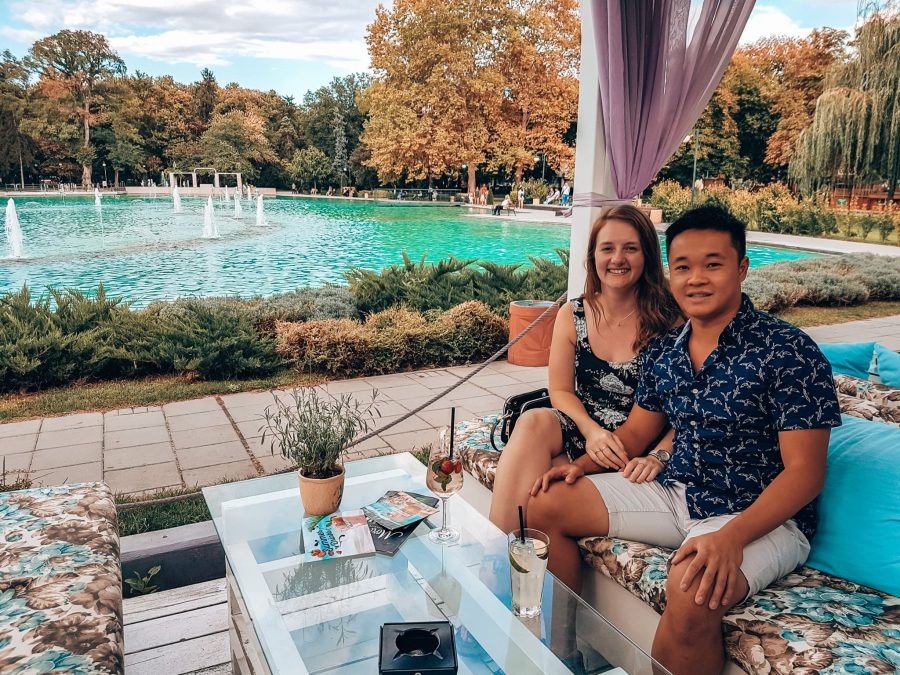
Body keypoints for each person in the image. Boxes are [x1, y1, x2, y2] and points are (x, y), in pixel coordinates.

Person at [527, 205, 841, 675]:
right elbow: (637, 432)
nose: (696, 278)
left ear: (742, 268)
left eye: (712, 264)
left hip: (759, 515)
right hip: (678, 492)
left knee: (693, 587)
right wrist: (584, 466)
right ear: (669, 273)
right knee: (546, 503)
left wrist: (732, 537)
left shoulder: (789, 351)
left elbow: (805, 473)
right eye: (683, 267)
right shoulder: (667, 352)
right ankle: (563, 655)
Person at [488, 205, 682, 534]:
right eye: (607, 248)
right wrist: (591, 431)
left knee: (546, 488)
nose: (617, 258)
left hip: (637, 445)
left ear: (647, 255)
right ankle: (498, 550)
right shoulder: (573, 314)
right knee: (533, 420)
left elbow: (682, 408)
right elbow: (561, 390)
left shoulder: (671, 319)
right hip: (587, 429)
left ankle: (513, 554)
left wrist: (658, 454)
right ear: (592, 257)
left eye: (630, 248)